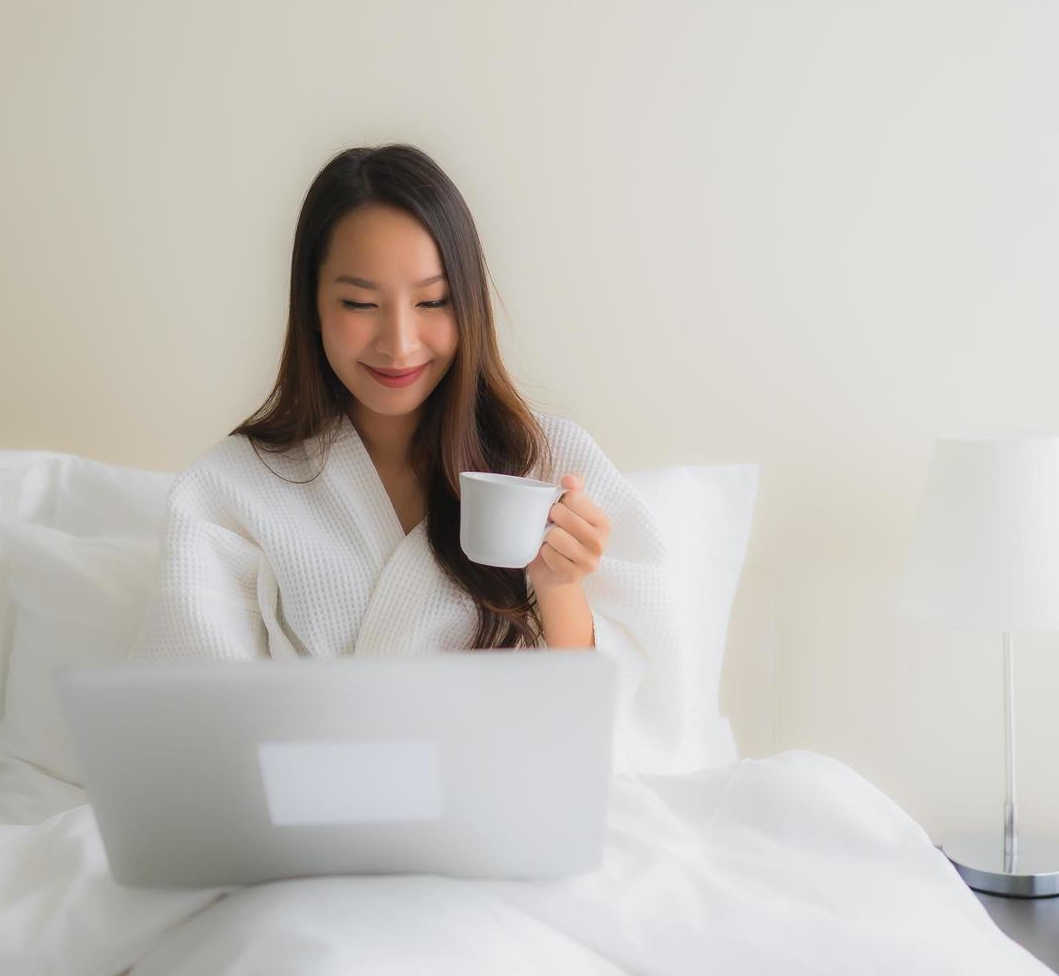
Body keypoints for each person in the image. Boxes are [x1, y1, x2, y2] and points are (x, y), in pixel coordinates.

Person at [129, 143, 688, 774]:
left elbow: (619, 737)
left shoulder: (546, 461)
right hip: (313, 828)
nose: (398, 343)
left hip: (498, 818)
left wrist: (559, 588)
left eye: (432, 302)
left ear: (469, 304)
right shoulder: (230, 490)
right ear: (312, 306)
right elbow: (194, 730)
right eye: (360, 304)